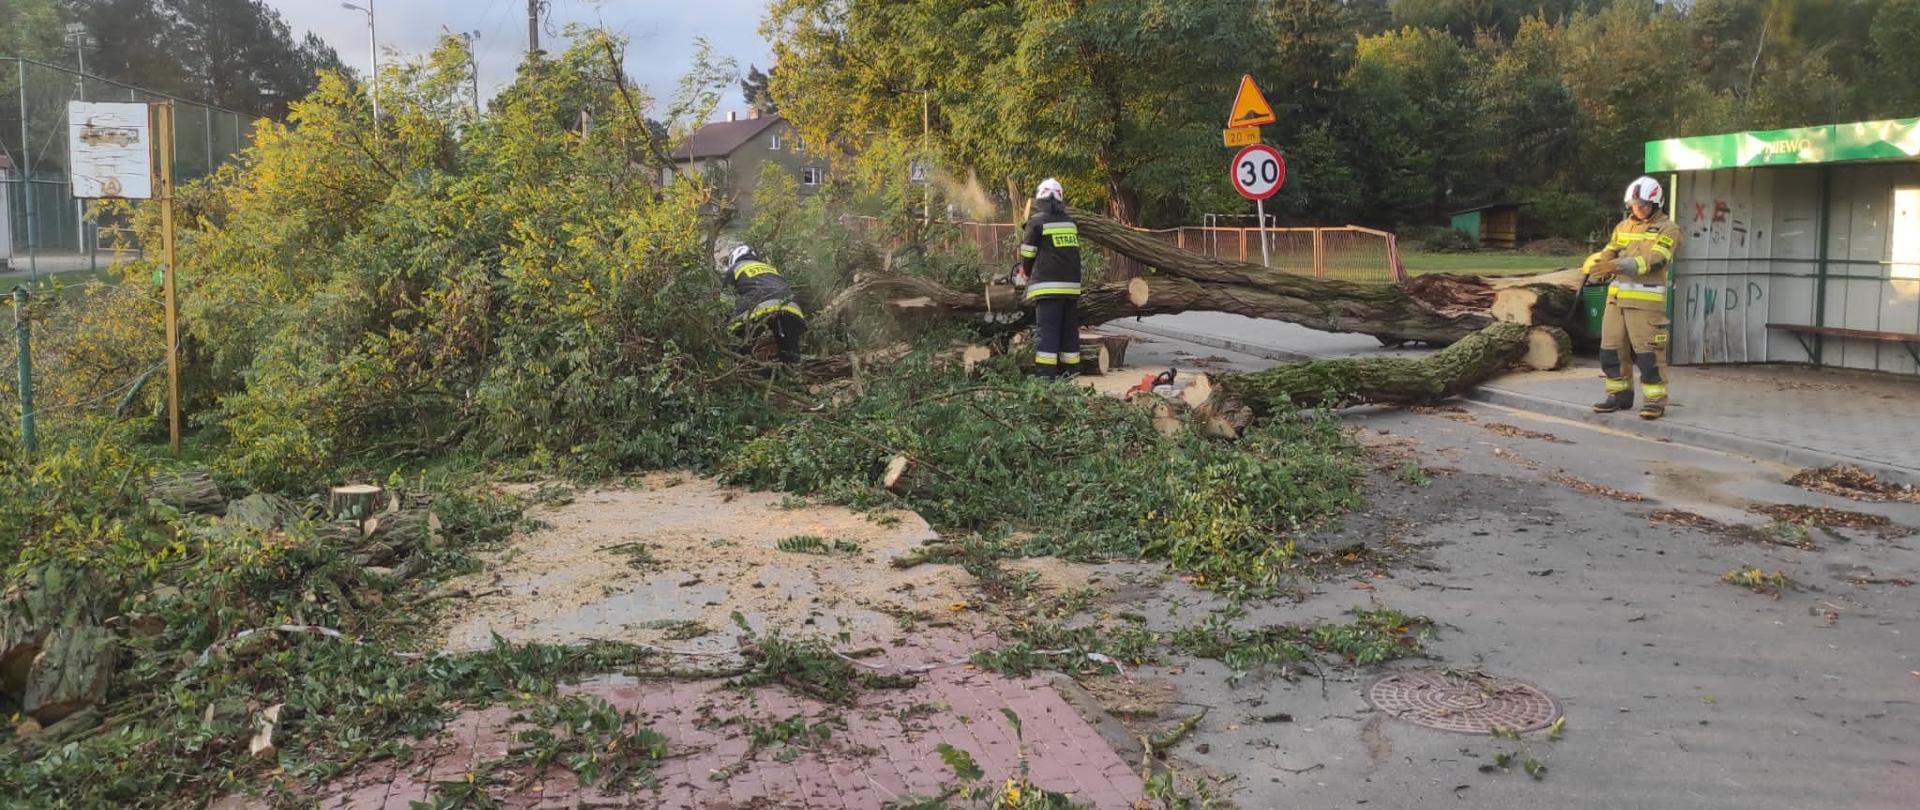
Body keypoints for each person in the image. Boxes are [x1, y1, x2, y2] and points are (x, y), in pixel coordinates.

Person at [1582, 176, 1682, 420]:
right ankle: (1618, 395)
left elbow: (1655, 260)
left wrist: (1615, 264)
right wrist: (1599, 261)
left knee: (1648, 356)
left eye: (1644, 204)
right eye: (1635, 204)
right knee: (1610, 351)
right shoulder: (1623, 226)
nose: (1638, 208)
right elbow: (1611, 249)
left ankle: (1655, 401)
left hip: (1646, 304)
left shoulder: (1669, 229)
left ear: (1657, 203)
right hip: (1616, 302)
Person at [1017, 178, 1083, 377]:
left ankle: (1046, 375)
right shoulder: (1070, 222)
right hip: (1071, 288)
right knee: (1069, 331)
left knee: (1048, 331)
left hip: (1047, 287)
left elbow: (1028, 253)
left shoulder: (1036, 222)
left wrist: (1025, 272)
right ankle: (1070, 372)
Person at [718, 243, 806, 364]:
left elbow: (726, 303)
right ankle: (794, 371)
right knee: (791, 353)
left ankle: (741, 367)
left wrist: (724, 324)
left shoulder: (735, 268)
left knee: (736, 337)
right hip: (791, 307)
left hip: (757, 307)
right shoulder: (771, 268)